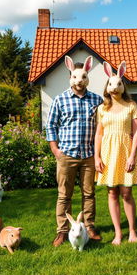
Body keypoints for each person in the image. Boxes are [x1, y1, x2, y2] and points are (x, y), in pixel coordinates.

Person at [46, 55, 102, 247]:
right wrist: (55, 149)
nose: (80, 81)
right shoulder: (60, 100)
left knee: (89, 194)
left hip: (88, 156)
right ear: (70, 76)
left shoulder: (97, 100)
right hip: (66, 155)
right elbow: (51, 126)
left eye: (84, 76)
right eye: (76, 77)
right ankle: (62, 231)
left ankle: (89, 226)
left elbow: (102, 127)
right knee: (64, 195)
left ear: (88, 76)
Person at [94, 61, 137, 245]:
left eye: (119, 83)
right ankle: (117, 233)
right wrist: (97, 157)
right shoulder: (102, 108)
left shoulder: (131, 106)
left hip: (125, 151)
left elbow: (136, 132)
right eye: (112, 83)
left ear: (123, 86)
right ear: (107, 87)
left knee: (127, 193)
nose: (115, 87)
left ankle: (132, 230)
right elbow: (99, 134)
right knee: (112, 193)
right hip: (107, 153)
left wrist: (132, 155)